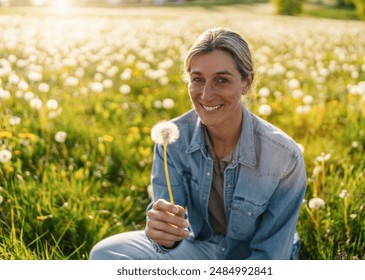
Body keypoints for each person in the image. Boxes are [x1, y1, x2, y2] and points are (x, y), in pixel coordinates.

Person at [89, 27, 307, 260]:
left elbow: (271, 257)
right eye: (197, 80)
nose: (206, 94)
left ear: (247, 82)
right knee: (104, 254)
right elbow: (169, 239)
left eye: (221, 80)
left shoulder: (285, 157)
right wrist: (163, 233)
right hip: (200, 246)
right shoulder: (171, 140)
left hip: (254, 257)